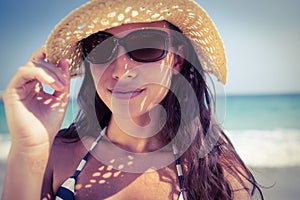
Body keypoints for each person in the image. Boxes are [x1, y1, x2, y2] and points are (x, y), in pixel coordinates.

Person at [2, 0, 263, 199]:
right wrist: (28, 148)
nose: (120, 71)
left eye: (146, 46)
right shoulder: (54, 157)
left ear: (177, 60)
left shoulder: (216, 172)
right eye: (101, 47)